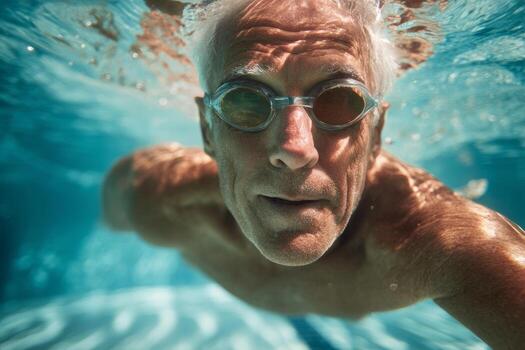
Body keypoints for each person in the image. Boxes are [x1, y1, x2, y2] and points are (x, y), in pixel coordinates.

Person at [102, 0, 525, 348]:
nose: (294, 149)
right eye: (246, 102)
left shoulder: (441, 247)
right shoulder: (154, 196)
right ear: (206, 130)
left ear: (376, 132)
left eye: (340, 102)